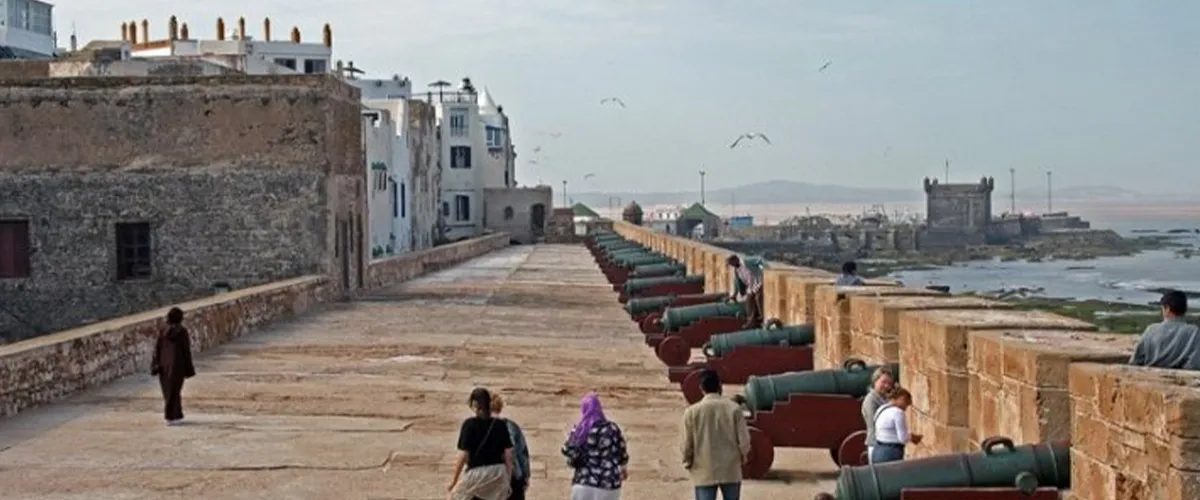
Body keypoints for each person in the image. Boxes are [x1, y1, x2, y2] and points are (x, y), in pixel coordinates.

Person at [681, 369, 750, 500]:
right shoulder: (734, 409)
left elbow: (687, 445)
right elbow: (744, 441)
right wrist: (742, 458)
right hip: (730, 468)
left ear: (701, 388)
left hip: (703, 469)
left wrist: (687, 462)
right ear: (720, 386)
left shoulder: (691, 412)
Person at [448, 388, 514, 500]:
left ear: (475, 405)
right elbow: (509, 453)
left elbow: (464, 455)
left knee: (454, 497)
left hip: (477, 473)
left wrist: (453, 482)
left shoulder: (469, 425)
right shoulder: (500, 424)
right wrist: (507, 477)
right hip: (498, 471)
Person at [561, 392, 629, 500]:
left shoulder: (579, 429)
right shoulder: (612, 428)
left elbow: (566, 450)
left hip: (584, 482)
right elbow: (622, 454)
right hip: (609, 485)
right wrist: (623, 468)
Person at [1130, 290, 1200, 369]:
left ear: (1167, 308)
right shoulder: (1194, 332)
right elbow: (1194, 363)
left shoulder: (1151, 329)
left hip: (1149, 377)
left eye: (1162, 308)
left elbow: (1136, 360)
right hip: (1182, 378)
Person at [150, 307, 196, 426]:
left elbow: (157, 349)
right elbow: (186, 351)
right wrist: (189, 369)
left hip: (164, 365)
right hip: (178, 365)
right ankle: (172, 415)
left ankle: (174, 414)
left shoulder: (162, 331)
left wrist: (155, 364)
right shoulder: (182, 332)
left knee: (167, 391)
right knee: (175, 391)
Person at [490, 393, 531, 500]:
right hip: (514, 477)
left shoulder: (480, 426)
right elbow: (522, 452)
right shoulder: (511, 425)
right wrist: (525, 476)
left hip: (491, 477)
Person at [871, 387, 921, 464]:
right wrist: (913, 437)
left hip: (877, 449)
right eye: (906, 404)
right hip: (891, 452)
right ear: (901, 398)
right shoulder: (898, 413)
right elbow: (903, 438)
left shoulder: (881, 408)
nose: (905, 408)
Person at [861, 367, 895, 463]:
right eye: (883, 382)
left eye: (889, 383)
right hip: (876, 445)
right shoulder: (871, 400)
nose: (886, 386)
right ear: (875, 381)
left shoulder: (884, 398)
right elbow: (873, 425)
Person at [726, 255, 764, 329]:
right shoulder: (737, 270)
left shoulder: (746, 261)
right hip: (751, 286)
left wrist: (763, 268)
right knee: (748, 301)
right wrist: (734, 294)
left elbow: (759, 259)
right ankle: (751, 320)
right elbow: (737, 282)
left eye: (731, 263)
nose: (731, 265)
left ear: (735, 260)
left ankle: (762, 316)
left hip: (759, 282)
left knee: (758, 298)